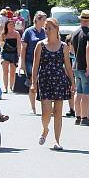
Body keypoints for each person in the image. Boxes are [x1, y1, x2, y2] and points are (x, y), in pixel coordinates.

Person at [31, 17, 75, 150]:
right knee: (46, 113)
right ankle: (45, 129)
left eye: (49, 28)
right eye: (45, 28)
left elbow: (68, 66)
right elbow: (35, 66)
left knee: (58, 112)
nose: (47, 30)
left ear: (56, 29)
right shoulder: (40, 45)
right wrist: (33, 83)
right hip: (45, 80)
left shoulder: (64, 46)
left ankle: (57, 141)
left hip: (60, 80)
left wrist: (72, 83)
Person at [71, 10, 89, 126]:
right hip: (85, 66)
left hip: (76, 66)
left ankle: (78, 116)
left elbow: (71, 49)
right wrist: (87, 66)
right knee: (87, 94)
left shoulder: (75, 33)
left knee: (79, 92)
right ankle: (85, 117)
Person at [20, 11, 47, 114]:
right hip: (30, 60)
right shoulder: (28, 31)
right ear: (37, 19)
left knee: (44, 83)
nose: (45, 22)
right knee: (32, 82)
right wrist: (22, 63)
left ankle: (45, 107)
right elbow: (23, 48)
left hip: (44, 61)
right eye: (43, 19)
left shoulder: (45, 31)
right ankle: (33, 107)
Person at [0, 18, 21, 93]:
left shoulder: (16, 33)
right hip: (5, 54)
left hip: (14, 54)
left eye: (13, 24)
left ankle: (11, 87)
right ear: (6, 25)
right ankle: (5, 88)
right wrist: (4, 44)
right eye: (10, 24)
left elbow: (19, 44)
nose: (11, 26)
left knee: (12, 72)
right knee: (5, 72)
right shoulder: (3, 33)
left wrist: (18, 54)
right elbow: (0, 43)